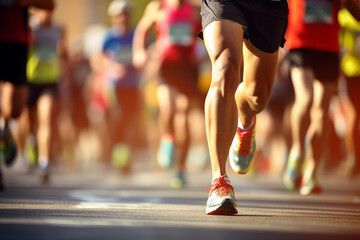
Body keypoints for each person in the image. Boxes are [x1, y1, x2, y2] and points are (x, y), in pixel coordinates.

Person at [198, 0, 288, 215]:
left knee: (257, 97)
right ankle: (219, 181)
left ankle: (245, 117)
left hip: (269, 7)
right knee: (225, 68)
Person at [283, 0, 360, 196]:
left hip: (328, 47)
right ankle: (298, 150)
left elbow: (351, 8)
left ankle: (312, 172)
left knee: (321, 109)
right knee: (306, 99)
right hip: (300, 42)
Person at [133, 0, 204, 188]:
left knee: (183, 117)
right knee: (168, 110)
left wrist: (203, 51)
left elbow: (208, 31)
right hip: (167, 68)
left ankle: (181, 167)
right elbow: (142, 29)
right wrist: (139, 51)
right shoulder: (157, 7)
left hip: (188, 69)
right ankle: (168, 139)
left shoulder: (195, 9)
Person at [0, 0, 55, 190]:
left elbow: (50, 4)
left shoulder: (58, 29)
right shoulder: (35, 27)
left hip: (16, 42)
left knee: (14, 110)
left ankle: (5, 127)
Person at [15, 6, 67, 183]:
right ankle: (28, 147)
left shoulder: (59, 29)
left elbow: (63, 53)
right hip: (31, 79)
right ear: (36, 11)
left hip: (50, 81)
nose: (46, 12)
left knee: (47, 119)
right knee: (28, 124)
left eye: (49, 8)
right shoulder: (30, 27)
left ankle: (45, 162)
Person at [97, 0, 142, 172]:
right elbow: (99, 60)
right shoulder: (109, 36)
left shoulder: (135, 34)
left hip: (132, 85)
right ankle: (117, 156)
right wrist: (112, 68)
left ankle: (126, 158)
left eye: (125, 14)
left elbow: (141, 54)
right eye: (118, 15)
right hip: (114, 86)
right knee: (117, 119)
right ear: (113, 18)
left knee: (131, 122)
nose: (122, 18)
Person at [338, 6, 360, 178]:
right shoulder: (345, 15)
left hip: (350, 69)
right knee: (353, 115)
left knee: (353, 115)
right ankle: (353, 158)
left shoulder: (344, 15)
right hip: (351, 70)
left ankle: (352, 159)